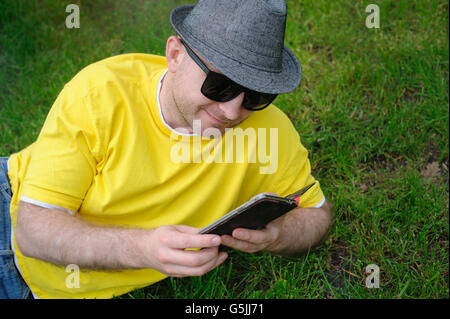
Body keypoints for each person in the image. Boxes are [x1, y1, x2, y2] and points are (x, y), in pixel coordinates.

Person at [0, 0, 332, 299]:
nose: (232, 112)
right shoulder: (99, 94)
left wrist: (275, 235)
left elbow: (316, 214)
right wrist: (142, 249)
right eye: (219, 86)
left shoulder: (270, 130)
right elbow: (32, 230)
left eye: (256, 96)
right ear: (175, 55)